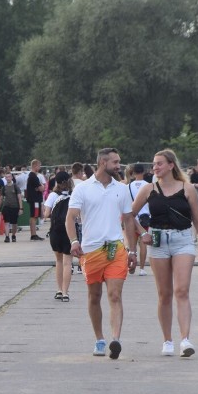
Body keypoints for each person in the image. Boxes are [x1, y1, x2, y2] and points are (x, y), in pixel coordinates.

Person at [130, 149, 198, 357]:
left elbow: (197, 219)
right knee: (164, 294)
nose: (155, 168)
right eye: (154, 164)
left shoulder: (188, 189)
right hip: (158, 242)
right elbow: (129, 215)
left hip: (183, 240)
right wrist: (142, 234)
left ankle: (185, 340)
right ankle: (167, 340)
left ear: (170, 165)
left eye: (159, 164)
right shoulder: (149, 189)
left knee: (182, 290)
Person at [65, 148, 137, 360]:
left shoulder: (122, 189)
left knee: (115, 295)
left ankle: (116, 339)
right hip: (91, 250)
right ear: (103, 163)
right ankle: (99, 339)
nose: (119, 166)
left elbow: (129, 219)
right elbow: (70, 218)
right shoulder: (83, 189)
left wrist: (132, 250)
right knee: (94, 296)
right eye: (115, 162)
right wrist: (74, 241)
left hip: (115, 248)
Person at [44, 171, 75, 302]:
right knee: (68, 262)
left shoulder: (53, 195)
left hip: (56, 231)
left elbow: (46, 214)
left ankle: (59, 290)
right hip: (70, 231)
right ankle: (66, 292)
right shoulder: (74, 195)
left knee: (59, 261)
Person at [127, 163, 151, 276]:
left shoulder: (129, 186)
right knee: (143, 244)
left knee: (132, 243)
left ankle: (132, 265)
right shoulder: (148, 185)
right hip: (145, 217)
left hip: (132, 217)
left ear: (134, 172)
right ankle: (142, 268)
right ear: (144, 172)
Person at [25, 159, 45, 240]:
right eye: (39, 166)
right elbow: (42, 188)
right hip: (35, 200)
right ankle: (33, 235)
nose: (39, 167)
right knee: (34, 216)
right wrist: (40, 188)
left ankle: (33, 234)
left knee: (34, 216)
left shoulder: (32, 176)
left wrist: (40, 188)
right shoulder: (33, 176)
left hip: (34, 199)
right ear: (35, 166)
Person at [0, 171, 23, 242]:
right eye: (6, 177)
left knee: (14, 223)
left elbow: (19, 198)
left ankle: (13, 235)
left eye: (9, 177)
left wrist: (21, 208)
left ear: (12, 177)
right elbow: (1, 198)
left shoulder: (16, 187)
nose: (8, 178)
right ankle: (7, 236)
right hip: (6, 206)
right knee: (6, 222)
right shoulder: (4, 188)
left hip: (15, 206)